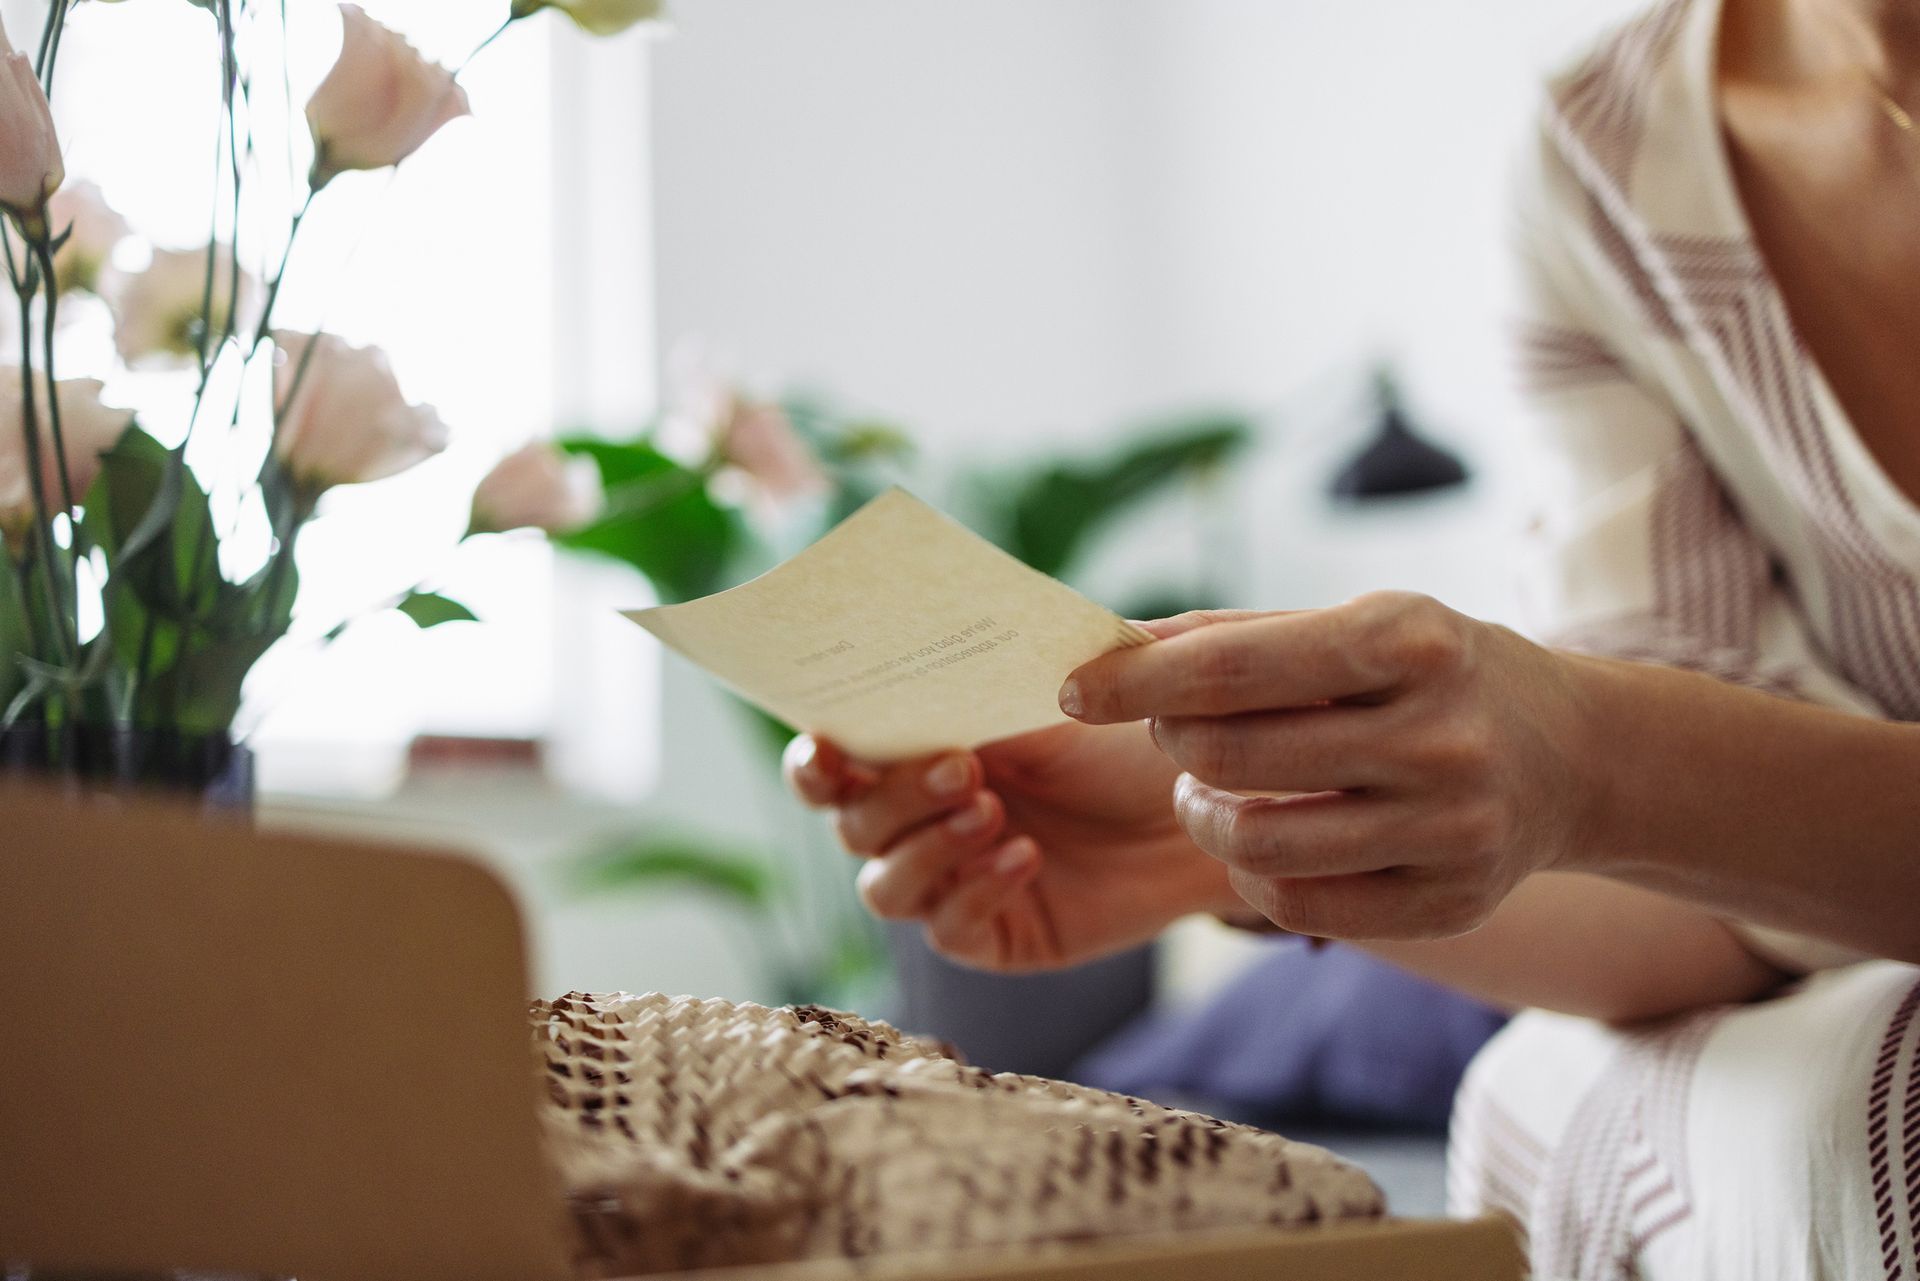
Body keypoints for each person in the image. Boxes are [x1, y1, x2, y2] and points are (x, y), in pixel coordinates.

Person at [786, 0, 1920, 1275]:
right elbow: (1722, 906)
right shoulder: (1606, 157)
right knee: (1550, 1089)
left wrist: (1604, 750)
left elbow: (1658, 797)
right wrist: (1234, 835)